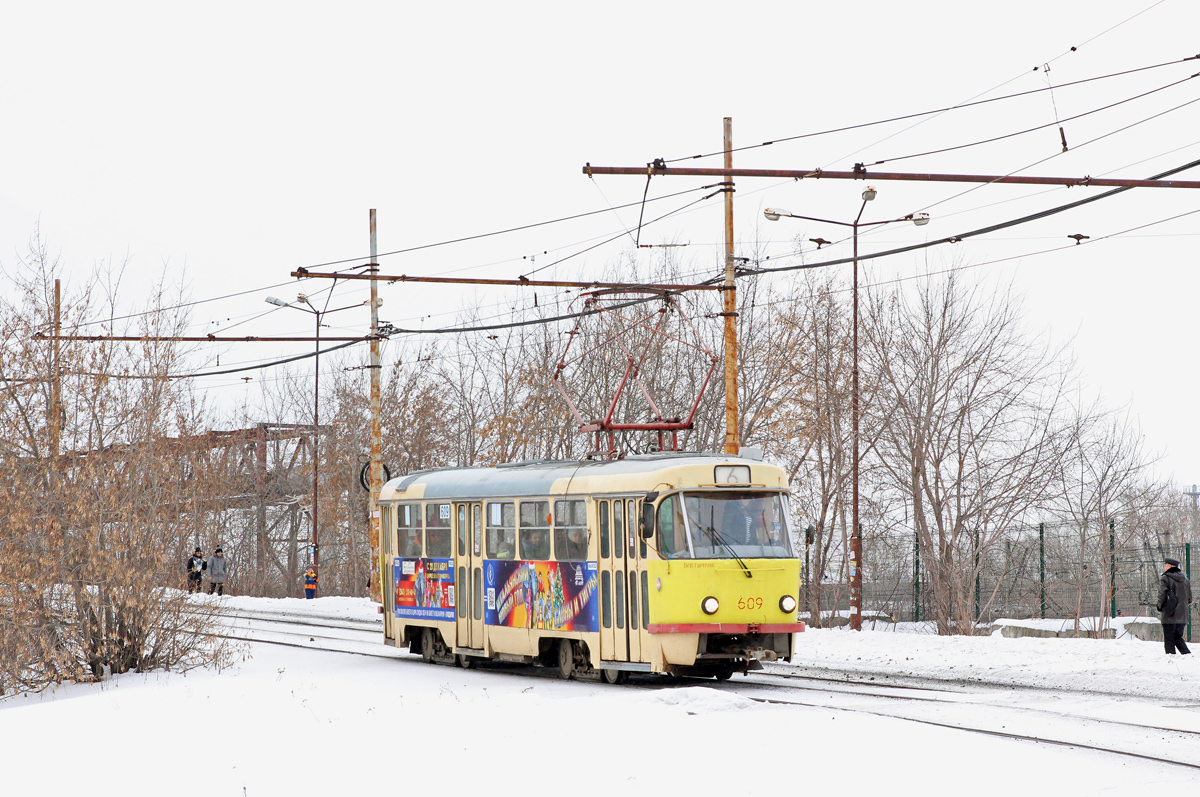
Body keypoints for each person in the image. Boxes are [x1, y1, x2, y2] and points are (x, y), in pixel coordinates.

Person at [1158, 556, 1193, 655]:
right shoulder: (1185, 580)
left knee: (1169, 640)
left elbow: (1161, 595)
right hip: (1183, 615)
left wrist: (1160, 607)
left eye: (1165, 565)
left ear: (1169, 565)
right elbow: (1189, 598)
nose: (1164, 567)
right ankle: (1187, 656)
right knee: (1178, 638)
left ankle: (1171, 661)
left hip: (1170, 614)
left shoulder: (1166, 578)